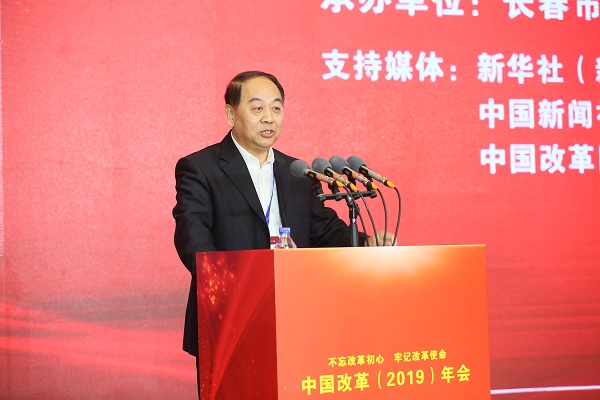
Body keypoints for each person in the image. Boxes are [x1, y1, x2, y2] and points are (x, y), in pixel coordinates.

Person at [172, 70, 392, 396]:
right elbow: (193, 238)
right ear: (231, 114)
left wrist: (365, 242)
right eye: (257, 108)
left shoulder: (297, 172)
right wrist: (232, 288)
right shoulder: (201, 168)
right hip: (231, 320)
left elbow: (323, 230)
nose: (269, 118)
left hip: (296, 315)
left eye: (276, 108)